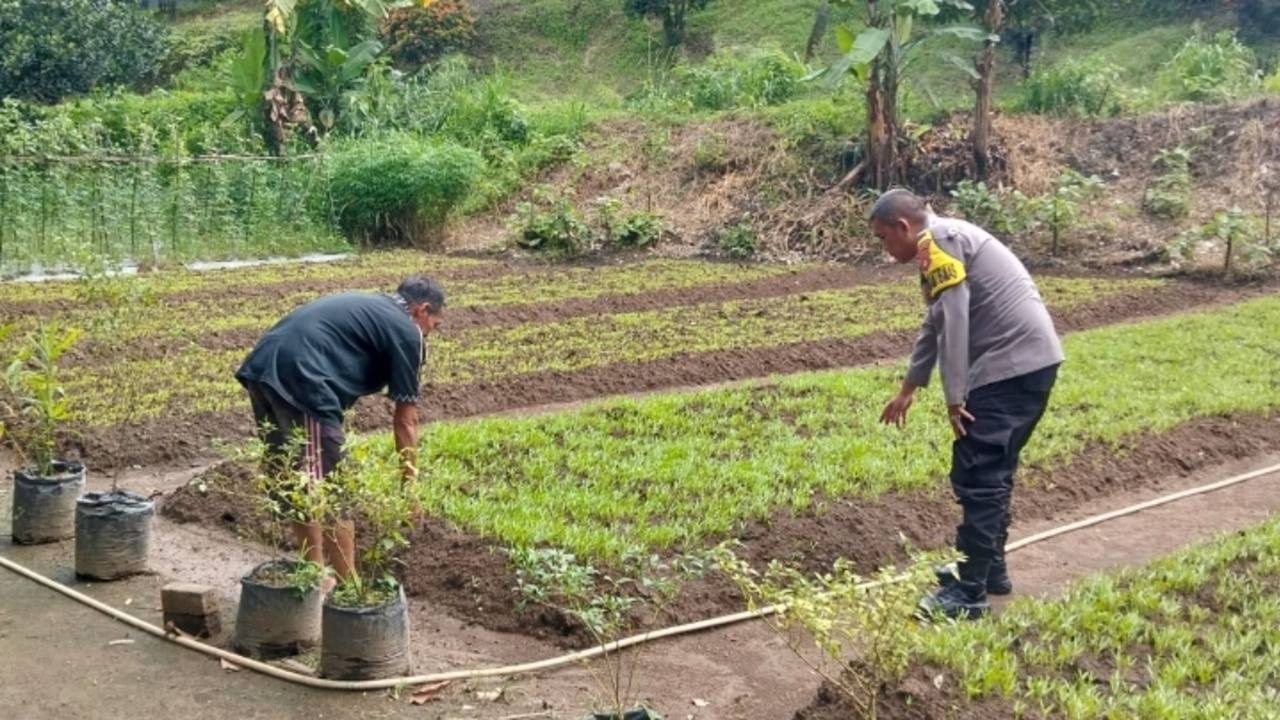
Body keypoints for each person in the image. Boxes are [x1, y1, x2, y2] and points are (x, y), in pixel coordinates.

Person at [871, 189, 1064, 620]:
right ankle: (988, 568)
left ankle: (969, 593)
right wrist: (908, 388)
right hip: (1032, 364)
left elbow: (955, 321)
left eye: (884, 239)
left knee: (979, 472)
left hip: (1009, 368)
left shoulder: (938, 242)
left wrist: (954, 398)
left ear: (904, 227)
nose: (885, 250)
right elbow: (936, 320)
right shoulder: (945, 239)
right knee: (995, 470)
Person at [235, 275, 446, 581]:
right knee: (332, 489)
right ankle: (349, 590)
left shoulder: (375, 308)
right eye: (434, 326)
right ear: (422, 310)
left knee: (298, 480)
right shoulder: (406, 331)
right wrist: (409, 490)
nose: (430, 335)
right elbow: (406, 420)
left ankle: (314, 576)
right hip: (302, 377)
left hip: (262, 367)